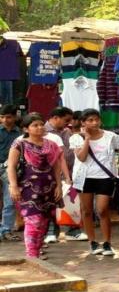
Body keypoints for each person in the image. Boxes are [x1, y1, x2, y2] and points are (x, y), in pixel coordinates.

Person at [7, 113, 62, 258]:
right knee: (33, 221)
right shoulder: (19, 144)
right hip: (27, 189)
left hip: (49, 187)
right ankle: (31, 255)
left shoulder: (51, 145)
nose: (39, 127)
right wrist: (13, 186)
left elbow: (56, 166)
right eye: (35, 125)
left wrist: (59, 186)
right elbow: (11, 166)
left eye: (41, 124)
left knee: (44, 221)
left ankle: (37, 253)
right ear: (26, 129)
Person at [70, 109, 119, 256]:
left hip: (105, 177)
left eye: (96, 119)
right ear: (83, 122)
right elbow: (81, 157)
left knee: (102, 209)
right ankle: (92, 242)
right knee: (86, 210)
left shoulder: (111, 136)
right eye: (90, 120)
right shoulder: (76, 138)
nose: (94, 123)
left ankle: (107, 242)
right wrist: (86, 139)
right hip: (84, 178)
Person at [44, 107, 88, 243]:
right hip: (51, 174)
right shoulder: (44, 132)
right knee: (51, 202)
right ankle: (51, 231)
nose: (68, 123)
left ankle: (73, 230)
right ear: (56, 118)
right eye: (66, 120)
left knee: (71, 201)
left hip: (70, 172)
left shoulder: (67, 131)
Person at [0, 105, 21, 241]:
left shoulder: (20, 134)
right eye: (2, 117)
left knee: (9, 201)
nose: (5, 120)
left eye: (8, 117)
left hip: (10, 169)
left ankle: (6, 229)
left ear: (14, 117)